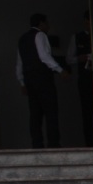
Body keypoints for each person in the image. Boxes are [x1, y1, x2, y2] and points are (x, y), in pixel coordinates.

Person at [15, 12, 70, 149]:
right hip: (42, 77)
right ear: (41, 23)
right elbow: (44, 56)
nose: (48, 26)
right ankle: (53, 144)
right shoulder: (40, 35)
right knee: (51, 111)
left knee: (35, 113)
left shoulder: (22, 39)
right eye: (46, 23)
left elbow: (19, 63)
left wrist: (22, 82)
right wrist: (60, 69)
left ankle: (37, 144)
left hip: (29, 79)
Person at [70, 11, 93, 147]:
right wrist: (80, 58)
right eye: (86, 22)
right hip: (85, 79)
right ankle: (90, 143)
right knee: (87, 112)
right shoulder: (77, 37)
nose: (88, 25)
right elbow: (69, 59)